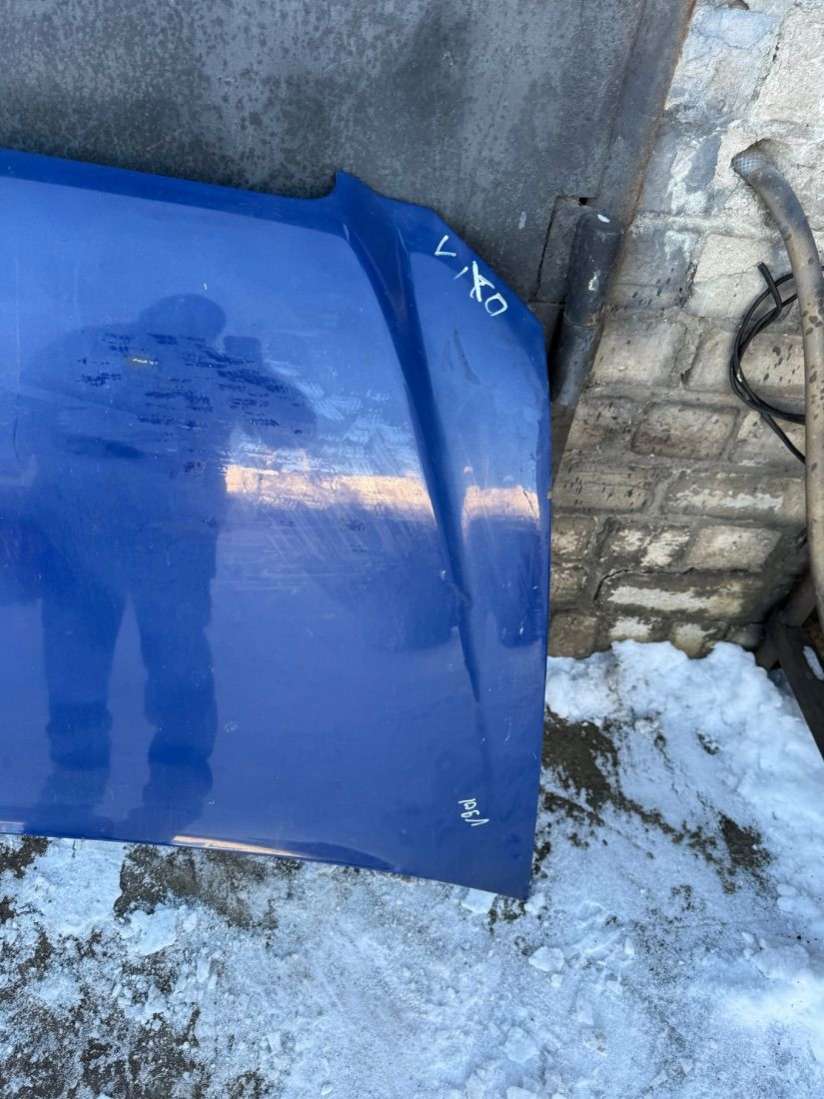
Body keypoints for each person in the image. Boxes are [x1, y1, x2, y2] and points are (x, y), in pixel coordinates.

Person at [14, 295, 314, 837]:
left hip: (167, 545)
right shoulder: (89, 350)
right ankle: (97, 787)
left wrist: (251, 375)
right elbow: (19, 423)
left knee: (168, 665)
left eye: (197, 333)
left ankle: (164, 792)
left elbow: (294, 428)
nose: (181, 344)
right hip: (87, 541)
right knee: (89, 665)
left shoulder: (213, 368)